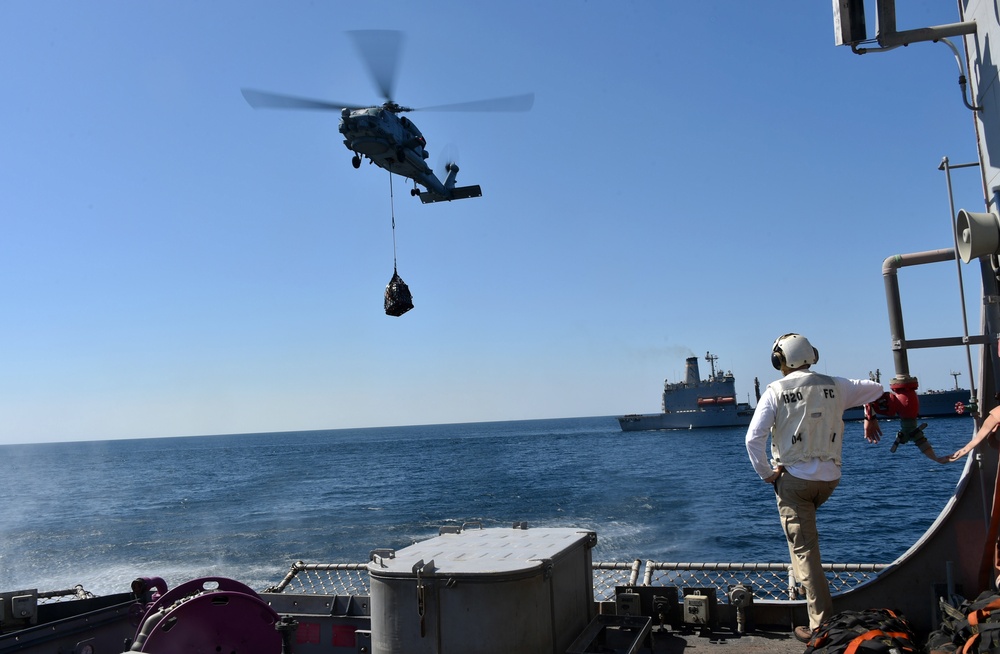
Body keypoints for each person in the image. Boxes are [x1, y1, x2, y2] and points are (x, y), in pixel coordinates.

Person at [745, 333, 885, 643]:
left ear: (779, 361)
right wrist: (868, 415)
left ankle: (821, 627)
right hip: (830, 480)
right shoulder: (837, 385)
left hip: (794, 482)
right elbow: (876, 389)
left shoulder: (774, 392)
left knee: (806, 552)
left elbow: (753, 439)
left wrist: (768, 475)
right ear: (813, 355)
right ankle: (812, 603)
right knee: (802, 546)